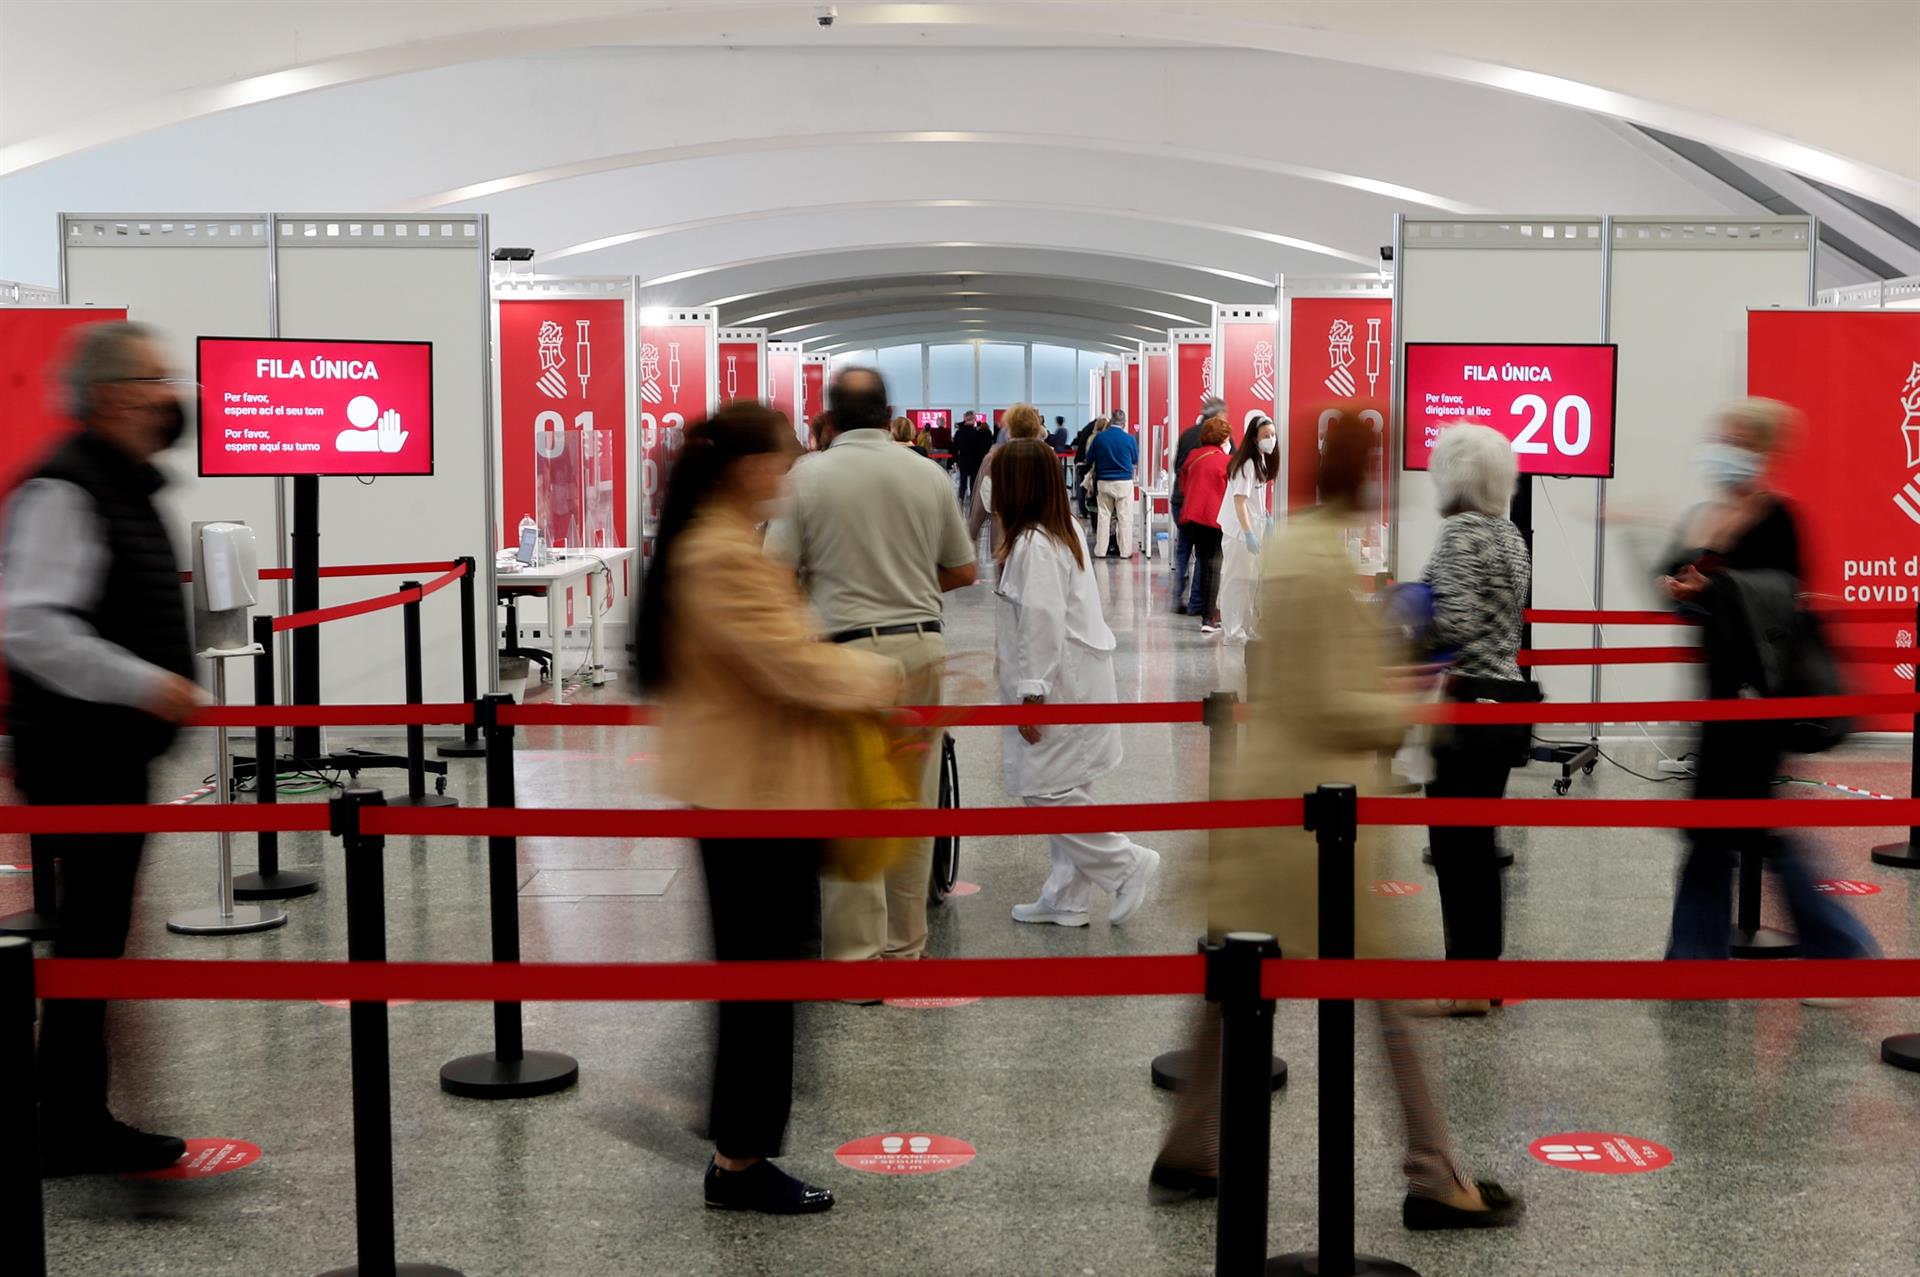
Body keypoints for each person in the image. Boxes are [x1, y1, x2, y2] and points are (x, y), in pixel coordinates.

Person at [1152, 411, 1523, 1232]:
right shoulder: (1319, 560)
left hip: (1275, 800)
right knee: (1381, 985)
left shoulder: (1296, 544)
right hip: (1317, 817)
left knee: (1233, 981)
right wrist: (1404, 700)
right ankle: (1434, 1168)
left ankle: (1188, 1143)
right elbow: (1328, 699)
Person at [642, 401, 903, 1214]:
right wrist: (886, 681)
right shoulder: (717, 554)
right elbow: (787, 663)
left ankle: (735, 1138)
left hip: (758, 789)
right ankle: (739, 1159)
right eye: (780, 459)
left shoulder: (720, 544)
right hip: (750, 797)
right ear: (742, 468)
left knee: (767, 974)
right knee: (761, 979)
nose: (789, 473)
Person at [5, 322, 204, 1176]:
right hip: (78, 752)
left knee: (97, 939)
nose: (174, 396)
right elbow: (30, 622)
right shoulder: (66, 487)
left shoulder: (121, 482)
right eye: (159, 381)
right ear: (117, 393)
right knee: (89, 942)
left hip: (108, 752)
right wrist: (143, 683)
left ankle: (71, 1112)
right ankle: (72, 1123)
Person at [766, 368, 978, 968]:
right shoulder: (926, 472)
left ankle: (856, 962)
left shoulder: (808, 475)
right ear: (890, 415)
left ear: (828, 419)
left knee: (851, 803)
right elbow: (963, 571)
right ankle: (905, 947)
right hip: (920, 650)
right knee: (913, 802)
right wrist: (907, 585)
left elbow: (775, 574)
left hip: (842, 655)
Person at [1658, 398, 1877, 967]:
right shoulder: (1712, 517)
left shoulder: (1780, 518)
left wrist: (1707, 590)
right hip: (1719, 696)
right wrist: (1679, 583)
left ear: (1758, 451)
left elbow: (1779, 599)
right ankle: (1700, 954)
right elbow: (1684, 579)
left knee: (1743, 828)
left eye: (1731, 439)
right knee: (1725, 828)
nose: (1719, 450)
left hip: (1758, 701)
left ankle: (1836, 945)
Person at [989, 439, 1160, 925]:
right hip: (1076, 677)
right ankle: (1066, 897)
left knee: (1046, 788)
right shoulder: (1058, 532)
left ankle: (1125, 864)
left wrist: (1031, 693)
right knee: (1066, 785)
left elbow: (1041, 623)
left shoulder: (1035, 545)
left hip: (1060, 684)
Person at [1416, 424, 1532, 1015]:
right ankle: (1482, 976)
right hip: (1505, 700)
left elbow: (1451, 624)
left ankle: (1464, 982)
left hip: (1465, 703)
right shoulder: (1509, 534)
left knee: (1455, 847)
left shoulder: (1460, 532)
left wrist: (1405, 616)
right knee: (1478, 845)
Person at [1216, 413, 1277, 644]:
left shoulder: (1260, 460)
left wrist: (1265, 518)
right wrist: (1249, 533)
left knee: (1250, 581)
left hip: (1252, 528)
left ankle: (1245, 626)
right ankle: (1232, 632)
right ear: (1253, 438)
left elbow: (1255, 499)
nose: (1271, 439)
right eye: (1266, 435)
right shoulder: (1246, 465)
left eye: (1273, 435)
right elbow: (1239, 500)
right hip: (1240, 532)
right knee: (1237, 581)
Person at [1170, 395, 1226, 615]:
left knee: (1183, 551)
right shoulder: (1218, 445)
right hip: (1203, 506)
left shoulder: (1187, 435)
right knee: (1205, 556)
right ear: (1218, 416)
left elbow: (1177, 467)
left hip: (1181, 502)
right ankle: (1197, 604)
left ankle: (1177, 598)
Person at [1176, 417, 1231, 634]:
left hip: (1192, 517)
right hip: (1213, 518)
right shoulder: (1225, 461)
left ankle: (1201, 609)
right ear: (1223, 437)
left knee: (1201, 561)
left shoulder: (1193, 456)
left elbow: (1183, 486)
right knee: (1213, 567)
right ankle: (1209, 618)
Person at [969, 403, 1045, 555]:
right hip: (1038, 533)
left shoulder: (995, 459)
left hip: (1003, 533)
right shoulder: (1046, 457)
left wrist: (972, 534)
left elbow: (983, 500)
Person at [1085, 412, 1141, 558]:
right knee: (1125, 518)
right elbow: (1135, 459)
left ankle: (1100, 551)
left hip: (1104, 482)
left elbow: (1089, 458)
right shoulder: (1129, 439)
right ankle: (1125, 551)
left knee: (1104, 517)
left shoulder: (1100, 438)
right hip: (1124, 482)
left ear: (1111, 421)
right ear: (1124, 422)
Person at [953, 410, 991, 507]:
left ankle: (960, 501)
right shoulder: (978, 434)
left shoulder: (959, 433)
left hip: (963, 461)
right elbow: (981, 450)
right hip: (975, 462)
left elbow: (954, 448)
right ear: (974, 420)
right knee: (973, 483)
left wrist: (956, 460)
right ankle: (973, 503)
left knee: (963, 482)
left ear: (965, 419)